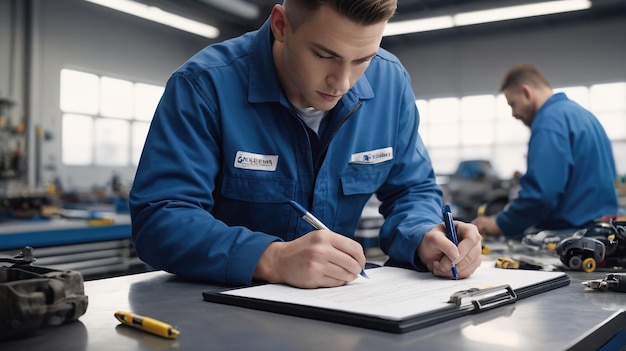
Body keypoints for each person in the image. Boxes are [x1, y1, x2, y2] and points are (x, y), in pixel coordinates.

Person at [129, 0, 482, 289]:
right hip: (219, 311)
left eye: (362, 60)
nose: (342, 81)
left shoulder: (390, 82)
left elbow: (413, 189)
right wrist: (270, 257)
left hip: (337, 309)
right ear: (281, 26)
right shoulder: (205, 86)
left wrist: (423, 234)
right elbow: (161, 219)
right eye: (324, 55)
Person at [473, 64, 618, 238]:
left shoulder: (549, 122)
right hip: (602, 231)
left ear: (526, 92)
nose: (513, 113)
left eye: (513, 104)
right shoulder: (583, 115)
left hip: (572, 235)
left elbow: (541, 195)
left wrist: (499, 223)